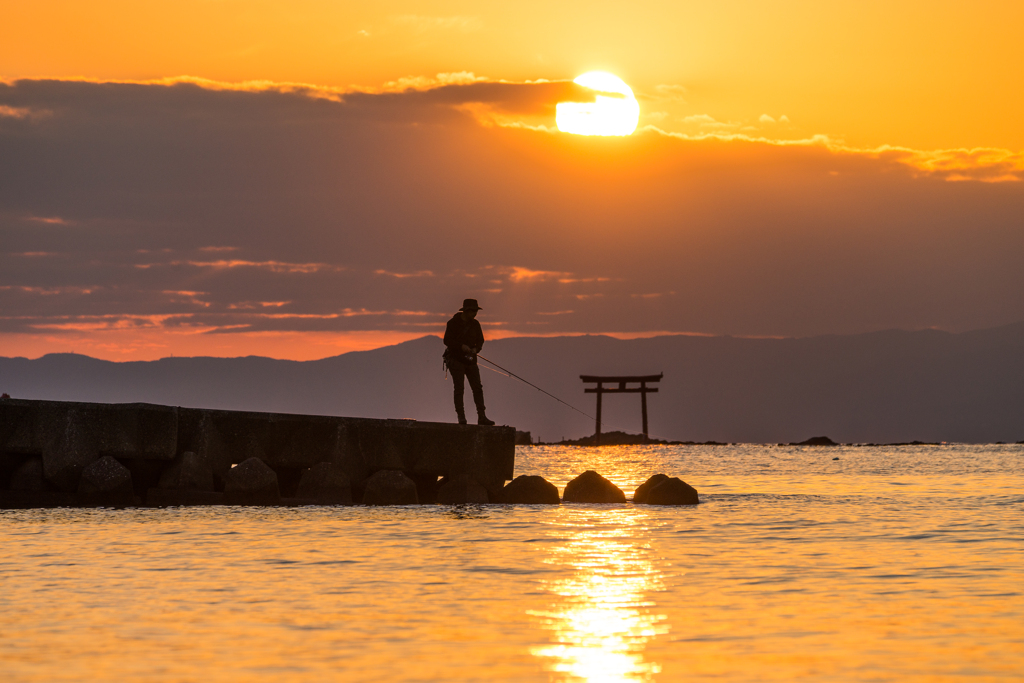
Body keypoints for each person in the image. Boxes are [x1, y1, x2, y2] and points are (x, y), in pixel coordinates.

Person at [443, 298, 495, 425]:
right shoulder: (453, 323)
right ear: (466, 311)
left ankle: (482, 417)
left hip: (471, 361)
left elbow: (481, 340)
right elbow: (447, 340)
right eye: (473, 311)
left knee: (477, 388)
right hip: (456, 361)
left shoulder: (476, 324)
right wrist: (461, 346)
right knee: (459, 389)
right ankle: (461, 417)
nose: (475, 314)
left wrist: (476, 349)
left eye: (476, 311)